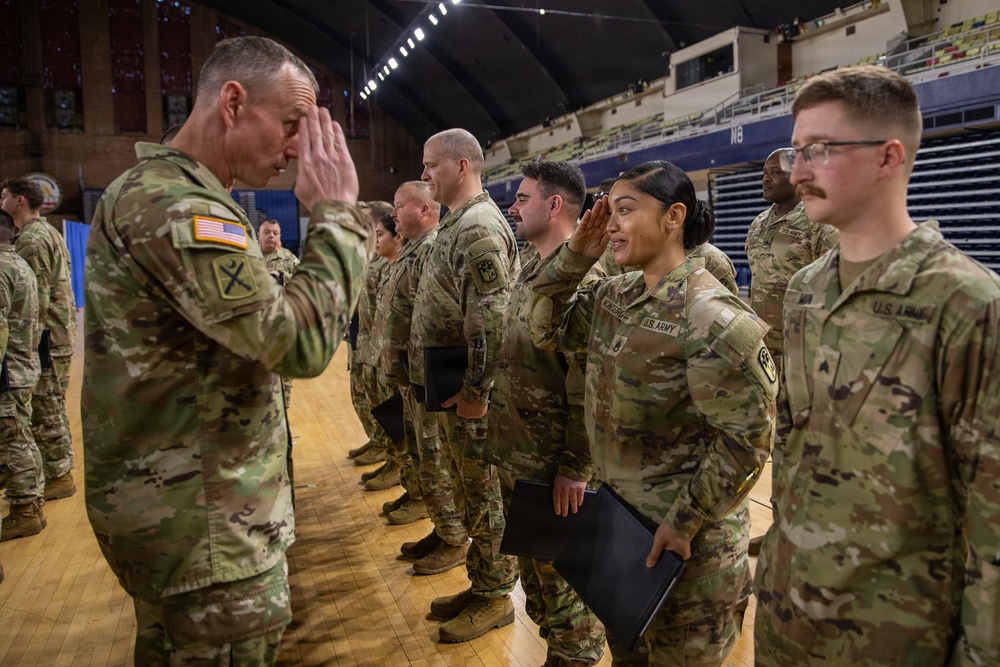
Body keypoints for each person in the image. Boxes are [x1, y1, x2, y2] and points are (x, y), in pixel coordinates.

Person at [82, 36, 369, 665]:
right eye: (291, 124)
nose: (298, 148)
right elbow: (296, 344)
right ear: (233, 103)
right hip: (208, 532)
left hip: (188, 516)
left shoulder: (176, 193)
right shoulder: (178, 206)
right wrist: (339, 217)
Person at [754, 65, 1000, 666]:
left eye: (820, 150)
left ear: (889, 157)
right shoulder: (806, 290)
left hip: (898, 633)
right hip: (789, 616)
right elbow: (791, 446)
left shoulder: (964, 302)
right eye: (795, 151)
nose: (799, 171)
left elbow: (992, 512)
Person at [530, 160, 777, 666]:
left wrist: (684, 522)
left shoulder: (710, 314)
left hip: (687, 549)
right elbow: (541, 325)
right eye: (607, 211)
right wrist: (574, 258)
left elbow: (747, 439)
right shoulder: (615, 296)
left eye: (626, 210)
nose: (611, 223)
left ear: (673, 217)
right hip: (624, 528)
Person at [493, 160, 606, 667]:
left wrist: (575, 468)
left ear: (554, 204)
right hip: (524, 455)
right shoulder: (534, 267)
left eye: (521, 199)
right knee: (539, 584)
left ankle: (575, 657)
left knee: (564, 592)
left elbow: (588, 382)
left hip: (553, 467)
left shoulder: (581, 279)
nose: (513, 209)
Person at [410, 128, 519, 643]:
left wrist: (478, 391)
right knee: (469, 490)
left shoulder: (477, 227)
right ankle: (482, 582)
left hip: (469, 392)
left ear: (460, 165)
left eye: (431, 165)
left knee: (484, 494)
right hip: (450, 383)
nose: (425, 174)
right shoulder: (458, 223)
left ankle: (497, 595)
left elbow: (492, 319)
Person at [743, 148, 838, 556]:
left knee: (811, 444)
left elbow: (835, 288)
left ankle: (818, 531)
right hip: (768, 353)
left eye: (773, 172)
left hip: (809, 354)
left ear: (798, 175)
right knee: (780, 442)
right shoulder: (759, 223)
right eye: (762, 171)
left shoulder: (820, 223)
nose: (765, 178)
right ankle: (782, 526)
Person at [377, 181, 469, 559]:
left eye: (401, 206)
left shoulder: (431, 251)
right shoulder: (412, 251)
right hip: (412, 375)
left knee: (434, 462)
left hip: (432, 376)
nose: (394, 214)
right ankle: (442, 528)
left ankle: (454, 537)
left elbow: (443, 320)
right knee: (422, 458)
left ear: (426, 211)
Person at [0, 177, 77, 502]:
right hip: (53, 333)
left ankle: (57, 475)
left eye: (4, 196)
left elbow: (36, 298)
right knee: (51, 405)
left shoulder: (32, 239)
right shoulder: (46, 232)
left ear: (19, 200)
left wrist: (26, 351)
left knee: (46, 407)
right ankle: (54, 472)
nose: (1, 200)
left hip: (45, 336)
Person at [0, 209, 44, 541]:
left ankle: (25, 510)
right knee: (21, 437)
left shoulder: (2, 268)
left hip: (10, 371)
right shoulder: (19, 263)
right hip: (22, 364)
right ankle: (30, 506)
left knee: (14, 442)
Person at [352, 201, 401, 490]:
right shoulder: (372, 257)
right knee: (372, 403)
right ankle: (386, 452)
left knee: (391, 411)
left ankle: (396, 463)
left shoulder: (388, 260)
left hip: (383, 348)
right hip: (368, 342)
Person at [258, 218, 300, 410]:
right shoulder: (249, 257)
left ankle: (285, 426)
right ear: (259, 235)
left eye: (275, 233)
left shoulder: (289, 259)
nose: (271, 236)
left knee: (283, 383)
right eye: (267, 232)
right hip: (254, 332)